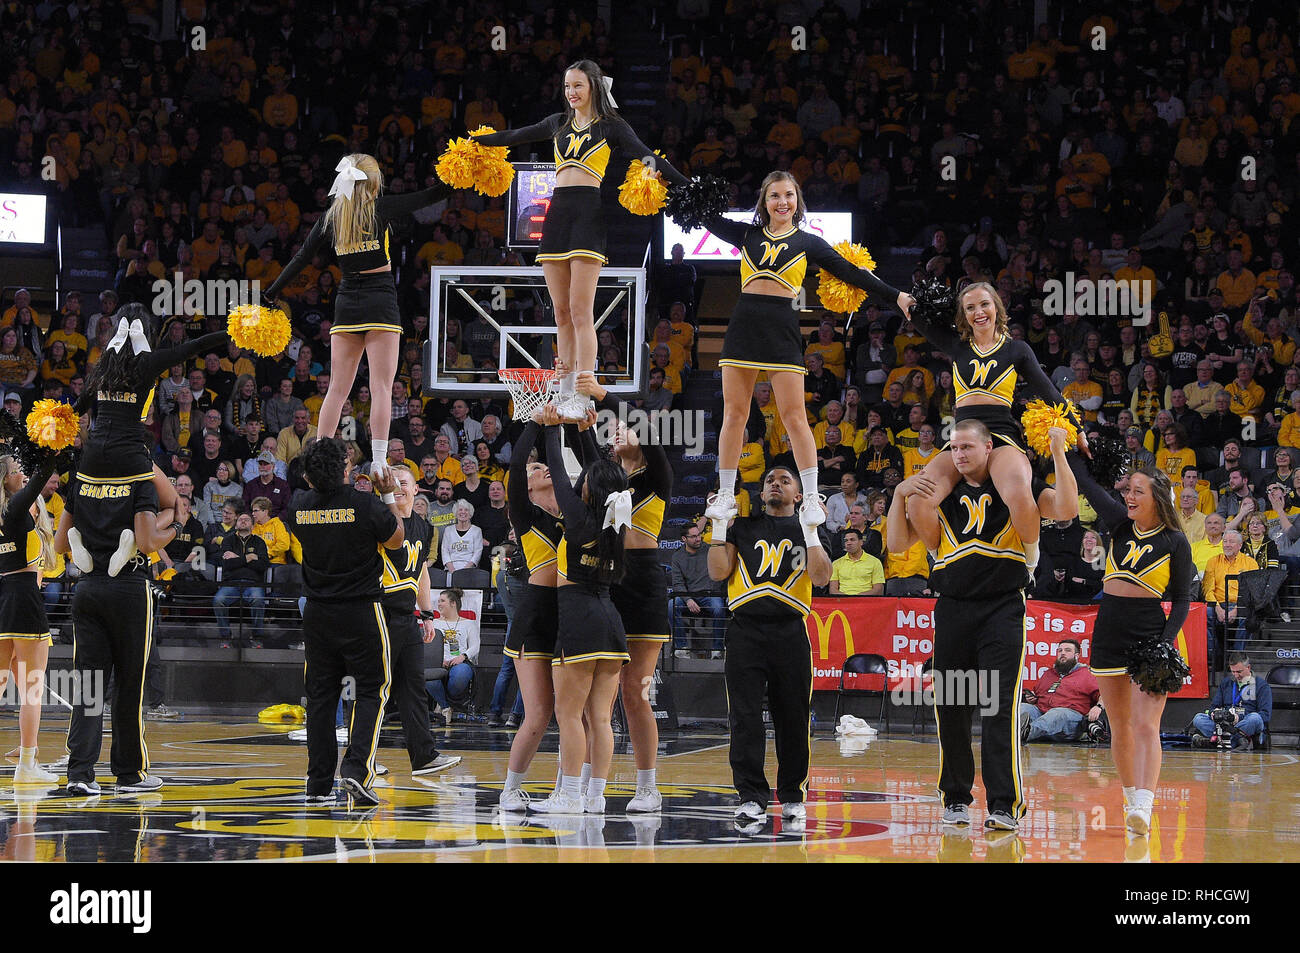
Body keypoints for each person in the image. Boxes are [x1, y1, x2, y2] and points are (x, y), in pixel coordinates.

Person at [474, 59, 686, 420]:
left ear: (594, 89)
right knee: (558, 312)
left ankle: (584, 392)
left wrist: (683, 182)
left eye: (578, 86)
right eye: (567, 86)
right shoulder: (556, 123)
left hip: (588, 215)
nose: (571, 93)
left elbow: (646, 154)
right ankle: (566, 387)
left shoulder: (611, 126)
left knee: (580, 309)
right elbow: (514, 135)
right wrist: (477, 142)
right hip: (557, 216)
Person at [892, 420, 1076, 832]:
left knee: (998, 708)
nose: (959, 455)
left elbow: (1067, 508)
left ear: (989, 447)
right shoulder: (940, 494)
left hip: (1002, 609)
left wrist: (1060, 452)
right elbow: (897, 543)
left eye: (967, 447)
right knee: (952, 707)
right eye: (954, 448)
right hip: (953, 609)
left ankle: (1003, 804)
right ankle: (955, 797)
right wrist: (900, 493)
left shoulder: (1016, 489)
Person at [703, 171, 912, 532]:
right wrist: (665, 176)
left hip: (783, 330)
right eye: (774, 196)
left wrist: (896, 295)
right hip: (743, 329)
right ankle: (724, 493)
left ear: (797, 201)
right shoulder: (746, 234)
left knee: (795, 417)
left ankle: (812, 496)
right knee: (734, 414)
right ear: (763, 202)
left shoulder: (808, 242)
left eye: (788, 195)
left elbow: (851, 272)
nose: (782, 202)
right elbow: (702, 210)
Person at [262, 155, 448, 473]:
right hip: (381, 304)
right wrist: (460, 172)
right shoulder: (381, 207)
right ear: (374, 182)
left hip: (346, 305)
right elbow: (433, 194)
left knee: (337, 388)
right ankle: (377, 461)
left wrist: (271, 293)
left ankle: (317, 459)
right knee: (380, 388)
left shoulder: (331, 216)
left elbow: (301, 257)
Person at [904, 281, 1087, 576]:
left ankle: (1029, 561)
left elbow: (1049, 391)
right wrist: (877, 285)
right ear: (963, 315)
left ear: (997, 307)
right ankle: (938, 556)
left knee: (1018, 491)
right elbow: (908, 309)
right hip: (963, 436)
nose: (979, 313)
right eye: (970, 307)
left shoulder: (1017, 349)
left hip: (1001, 434)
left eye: (984, 304)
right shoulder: (956, 345)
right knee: (918, 499)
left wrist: (1077, 430)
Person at [1068, 456, 1195, 836]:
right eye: (1127, 490)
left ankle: (1144, 800)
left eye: (1138, 491)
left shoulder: (1176, 541)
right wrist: (1070, 444)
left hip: (1148, 636)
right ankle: (1129, 797)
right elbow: (1085, 481)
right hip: (1108, 631)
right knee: (1119, 725)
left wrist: (1164, 644)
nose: (1129, 496)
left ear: (1158, 497)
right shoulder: (1120, 525)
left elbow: (1184, 600)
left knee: (1145, 725)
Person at [56, 439, 183, 796]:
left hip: (88, 586)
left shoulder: (80, 481)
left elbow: (61, 543)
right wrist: (176, 525)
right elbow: (149, 539)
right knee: (129, 687)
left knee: (88, 687)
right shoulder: (141, 479)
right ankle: (129, 774)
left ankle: (80, 773)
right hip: (129, 586)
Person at [708, 465, 832, 830]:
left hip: (791, 631)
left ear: (799, 495)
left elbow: (823, 577)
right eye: (769, 481)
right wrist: (717, 526)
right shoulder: (742, 528)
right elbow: (717, 572)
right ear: (761, 494)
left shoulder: (807, 528)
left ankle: (793, 795)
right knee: (744, 718)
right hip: (745, 631)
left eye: (785, 480)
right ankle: (750, 797)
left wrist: (812, 531)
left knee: (792, 718)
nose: (775, 484)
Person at [70, 302, 227, 577]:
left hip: (94, 452)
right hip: (130, 452)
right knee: (175, 503)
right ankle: (131, 545)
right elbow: (194, 346)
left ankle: (80, 538)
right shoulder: (148, 362)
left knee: (81, 503)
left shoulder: (102, 366)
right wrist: (234, 332)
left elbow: (75, 411)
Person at [288, 438, 404, 806]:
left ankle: (317, 784)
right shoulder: (364, 503)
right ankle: (356, 769)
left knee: (321, 699)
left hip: (318, 614)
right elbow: (397, 541)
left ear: (307, 475)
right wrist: (388, 496)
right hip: (360, 611)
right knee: (372, 690)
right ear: (344, 469)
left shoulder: (298, 506)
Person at [526, 409, 631, 816]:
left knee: (568, 715)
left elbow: (559, 468)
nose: (579, 482)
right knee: (600, 719)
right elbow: (598, 470)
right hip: (610, 623)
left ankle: (568, 794)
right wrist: (583, 431)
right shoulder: (614, 523)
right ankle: (595, 796)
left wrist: (553, 429)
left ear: (588, 489)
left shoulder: (580, 520)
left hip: (579, 622)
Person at [579, 371, 673, 812]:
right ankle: (584, 780)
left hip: (645, 581)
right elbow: (583, 450)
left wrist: (604, 395)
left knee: (635, 690)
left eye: (625, 429)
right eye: (615, 428)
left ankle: (648, 785)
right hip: (605, 579)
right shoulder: (607, 479)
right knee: (594, 692)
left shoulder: (657, 477)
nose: (618, 432)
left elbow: (648, 434)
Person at [497, 420, 563, 811]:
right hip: (535, 615)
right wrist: (538, 425)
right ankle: (511, 788)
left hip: (574, 613)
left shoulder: (574, 508)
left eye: (544, 467)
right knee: (539, 713)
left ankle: (565, 789)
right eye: (535, 471)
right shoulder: (523, 513)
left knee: (575, 715)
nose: (542, 470)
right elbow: (519, 460)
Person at [377, 466, 462, 777]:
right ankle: (364, 756)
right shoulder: (382, 519)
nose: (398, 487)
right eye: (393, 482)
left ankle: (424, 757)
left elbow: (422, 573)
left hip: (406, 616)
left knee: (414, 687)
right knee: (375, 688)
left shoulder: (425, 528)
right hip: (379, 612)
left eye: (404, 483)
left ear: (416, 490)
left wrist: (426, 613)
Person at [0, 452, 59, 782]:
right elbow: (44, 474)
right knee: (33, 693)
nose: (22, 474)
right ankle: (27, 767)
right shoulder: (15, 509)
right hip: (23, 598)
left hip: (2, 597)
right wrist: (54, 445)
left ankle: (27, 751)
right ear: (5, 478)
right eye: (16, 470)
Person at [1019, 640, 1103, 742]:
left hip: (1070, 718)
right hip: (1042, 712)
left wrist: (1098, 707)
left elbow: (1104, 695)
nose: (1062, 653)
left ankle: (1024, 733)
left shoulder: (1087, 674)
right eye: (1060, 651)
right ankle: (1009, 732)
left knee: (1056, 714)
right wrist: (1032, 698)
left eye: (1067, 650)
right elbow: (1037, 695)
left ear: (1076, 655)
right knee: (1022, 708)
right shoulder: (1048, 673)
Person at [487, 530, 527, 729]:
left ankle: (494, 713)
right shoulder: (523, 578)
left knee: (506, 670)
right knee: (526, 672)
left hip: (511, 623)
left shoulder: (500, 575)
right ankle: (515, 715)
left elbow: (499, 572)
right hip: (527, 624)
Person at [670, 520, 727, 658]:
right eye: (694, 536)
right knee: (672, 605)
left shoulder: (709, 550)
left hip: (710, 595)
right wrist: (688, 599)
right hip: (688, 596)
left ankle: (717, 649)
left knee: (719, 609)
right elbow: (678, 583)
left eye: (699, 535)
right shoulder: (677, 556)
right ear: (684, 539)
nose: (698, 539)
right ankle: (681, 646)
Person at [1190, 654, 1272, 749]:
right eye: (1233, 672)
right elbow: (1213, 707)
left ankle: (1219, 740)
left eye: (1239, 672)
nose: (1236, 675)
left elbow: (1265, 715)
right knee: (1198, 718)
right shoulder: (1226, 683)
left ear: (1248, 667)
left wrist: (1238, 717)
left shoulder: (1262, 686)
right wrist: (1214, 713)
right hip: (1224, 724)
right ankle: (1232, 740)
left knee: (1255, 718)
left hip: (1244, 723)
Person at [213, 511, 269, 648]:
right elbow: (227, 564)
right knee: (218, 600)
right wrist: (249, 557)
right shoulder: (228, 540)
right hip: (231, 583)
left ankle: (256, 637)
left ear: (252, 524)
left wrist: (236, 558)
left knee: (258, 600)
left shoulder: (259, 542)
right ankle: (226, 637)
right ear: (236, 524)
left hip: (253, 583)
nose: (243, 521)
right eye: (240, 520)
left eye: (247, 520)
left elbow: (262, 565)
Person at [425, 587, 480, 724]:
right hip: (438, 662)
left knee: (460, 675)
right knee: (428, 676)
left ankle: (441, 701)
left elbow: (475, 646)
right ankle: (445, 707)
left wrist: (462, 657)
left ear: (453, 603)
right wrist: (438, 660)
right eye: (438, 601)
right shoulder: (435, 623)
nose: (438, 604)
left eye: (442, 601)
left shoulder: (469, 623)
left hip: (461, 662)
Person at [829, 527, 885, 595]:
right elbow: (832, 589)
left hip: (866, 601)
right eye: (846, 540)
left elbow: (879, 589)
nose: (848, 543)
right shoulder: (836, 563)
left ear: (861, 542)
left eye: (852, 540)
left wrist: (858, 598)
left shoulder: (875, 562)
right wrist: (848, 599)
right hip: (843, 602)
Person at [440, 500, 483, 572]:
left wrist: (465, 570)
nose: (463, 512)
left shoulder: (476, 530)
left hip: (470, 570)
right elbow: (445, 551)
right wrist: (452, 569)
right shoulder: (448, 530)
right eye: (460, 510)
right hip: (451, 569)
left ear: (470, 514)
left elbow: (477, 552)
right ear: (455, 513)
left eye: (466, 510)